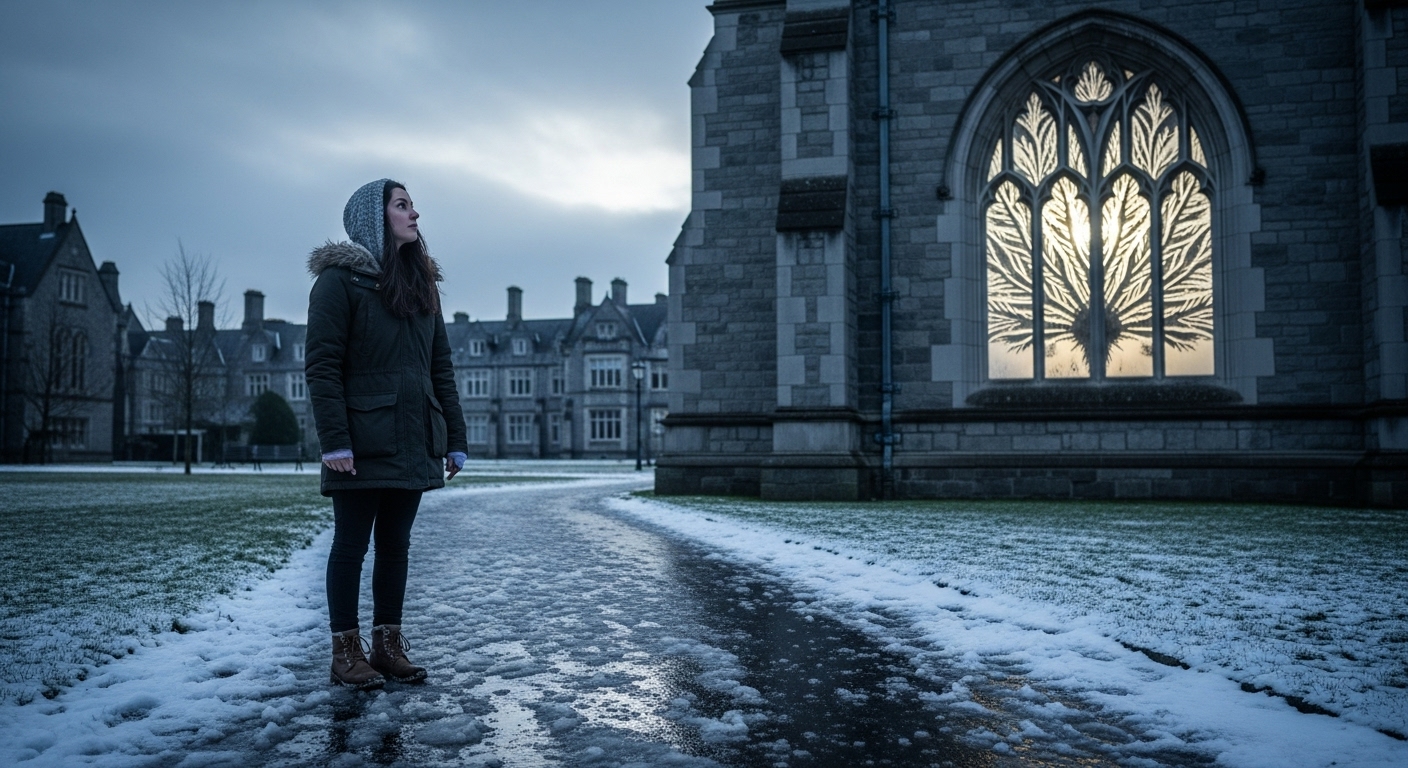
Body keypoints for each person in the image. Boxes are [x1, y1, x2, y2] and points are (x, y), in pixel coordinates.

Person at [305, 179, 468, 690]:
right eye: (403, 205)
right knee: (351, 545)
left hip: (413, 436)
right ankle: (345, 652)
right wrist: (335, 440)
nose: (415, 213)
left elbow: (440, 366)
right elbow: (323, 366)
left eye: (412, 205)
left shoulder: (423, 285)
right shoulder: (337, 282)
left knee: (396, 544)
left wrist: (454, 436)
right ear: (376, 219)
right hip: (358, 440)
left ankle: (387, 646)